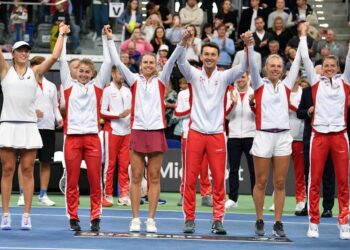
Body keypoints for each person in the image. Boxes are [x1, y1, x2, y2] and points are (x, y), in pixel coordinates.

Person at [106, 25, 184, 233]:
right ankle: (135, 218)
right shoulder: (133, 80)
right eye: (145, 62)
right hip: (138, 132)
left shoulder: (161, 79)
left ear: (156, 65)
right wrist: (109, 40)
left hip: (157, 131)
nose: (148, 65)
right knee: (136, 177)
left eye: (151, 62)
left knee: (155, 177)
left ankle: (151, 220)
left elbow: (175, 57)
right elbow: (117, 62)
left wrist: (182, 43)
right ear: (140, 66)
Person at [177, 29, 250, 235]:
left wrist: (246, 46)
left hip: (217, 135)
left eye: (213, 55)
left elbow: (243, 66)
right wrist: (184, 42)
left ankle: (218, 219)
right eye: (206, 54)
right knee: (190, 180)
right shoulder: (193, 74)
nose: (209, 57)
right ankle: (189, 218)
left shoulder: (225, 76)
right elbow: (181, 63)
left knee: (219, 179)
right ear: (201, 57)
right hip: (196, 134)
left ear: (218, 58)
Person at [0, 22, 69, 230]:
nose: (24, 53)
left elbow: (54, 57)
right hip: (8, 124)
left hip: (29, 126)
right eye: (20, 50)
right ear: (13, 54)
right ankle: (5, 214)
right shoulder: (4, 70)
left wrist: (63, 35)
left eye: (26, 50)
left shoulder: (36, 71)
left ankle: (26, 215)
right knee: (8, 169)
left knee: (28, 169)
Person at [246, 25, 301, 237]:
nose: (276, 68)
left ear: (284, 69)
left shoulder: (287, 84)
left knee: (279, 182)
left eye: (279, 66)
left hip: (282, 137)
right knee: (261, 181)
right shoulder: (259, 85)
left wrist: (302, 41)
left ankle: (278, 222)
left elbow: (297, 63)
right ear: (266, 68)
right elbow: (251, 63)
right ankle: (259, 218)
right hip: (263, 135)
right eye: (272, 65)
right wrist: (249, 45)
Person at [298, 22, 350, 240]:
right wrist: (302, 35)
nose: (329, 69)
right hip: (318, 136)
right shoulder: (315, 81)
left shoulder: (345, 82)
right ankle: (313, 222)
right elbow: (305, 59)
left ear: (338, 68)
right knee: (314, 180)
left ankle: (344, 222)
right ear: (322, 68)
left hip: (339, 136)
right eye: (326, 66)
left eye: (333, 66)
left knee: (344, 182)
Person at [60, 25, 112, 232]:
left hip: (92, 139)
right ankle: (73, 216)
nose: (83, 74)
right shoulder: (67, 85)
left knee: (94, 181)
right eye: (80, 71)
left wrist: (106, 39)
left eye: (87, 71)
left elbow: (108, 62)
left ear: (92, 74)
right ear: (75, 72)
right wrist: (63, 36)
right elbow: (61, 60)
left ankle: (95, 216)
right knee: (72, 182)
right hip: (72, 138)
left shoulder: (97, 87)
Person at [17, 56, 64, 207]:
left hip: (48, 128)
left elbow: (55, 106)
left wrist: (59, 118)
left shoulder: (51, 85)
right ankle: (22, 194)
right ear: (33, 67)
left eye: (44, 65)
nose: (42, 68)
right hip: (30, 126)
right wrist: (32, 112)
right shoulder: (25, 83)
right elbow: (18, 105)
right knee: (25, 162)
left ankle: (43, 195)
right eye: (38, 65)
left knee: (46, 162)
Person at [174, 78, 213, 208]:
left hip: (204, 132)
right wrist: (191, 110)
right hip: (187, 133)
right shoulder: (182, 94)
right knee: (187, 167)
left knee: (204, 167)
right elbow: (177, 113)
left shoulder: (205, 92)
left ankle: (206, 195)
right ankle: (184, 194)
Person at [101, 66, 132, 207]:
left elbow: (132, 111)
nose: (121, 76)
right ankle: (107, 194)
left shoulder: (128, 91)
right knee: (110, 164)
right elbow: (101, 111)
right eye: (119, 73)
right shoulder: (107, 90)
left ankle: (124, 195)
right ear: (113, 73)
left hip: (127, 132)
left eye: (123, 74)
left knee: (125, 165)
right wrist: (117, 115)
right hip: (112, 131)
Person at [225, 72, 256, 209]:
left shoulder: (255, 93)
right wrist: (233, 104)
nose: (240, 79)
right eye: (238, 77)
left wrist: (252, 104)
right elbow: (225, 116)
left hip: (251, 135)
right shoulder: (230, 94)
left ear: (248, 78)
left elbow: (260, 115)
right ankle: (233, 198)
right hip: (234, 136)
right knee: (233, 169)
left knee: (253, 169)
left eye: (243, 77)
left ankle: (256, 197)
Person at [288, 72, 306, 213]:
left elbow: (302, 112)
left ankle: (300, 200)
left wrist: (290, 105)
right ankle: (276, 199)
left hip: (299, 137)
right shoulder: (283, 90)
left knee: (299, 173)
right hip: (283, 137)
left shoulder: (303, 93)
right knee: (279, 173)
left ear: (299, 78)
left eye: (295, 75)